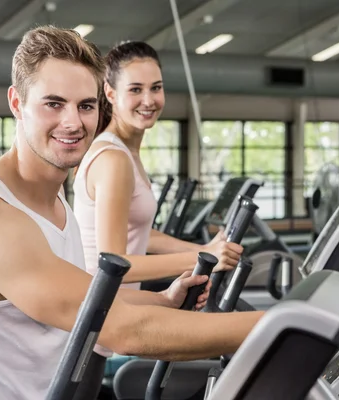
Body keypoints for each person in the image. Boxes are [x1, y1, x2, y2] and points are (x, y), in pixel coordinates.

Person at [0, 26, 263, 400]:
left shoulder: (55, 203)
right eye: (53, 103)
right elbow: (123, 331)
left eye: (85, 106)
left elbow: (84, 296)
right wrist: (284, 325)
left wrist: (162, 299)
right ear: (17, 104)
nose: (73, 122)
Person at [73, 41, 243, 290]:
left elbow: (140, 235)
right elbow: (114, 263)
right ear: (110, 93)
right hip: (104, 311)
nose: (148, 100)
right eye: (135, 90)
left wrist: (203, 248)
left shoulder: (125, 152)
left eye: (156, 88)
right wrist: (204, 259)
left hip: (119, 302)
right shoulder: (113, 159)